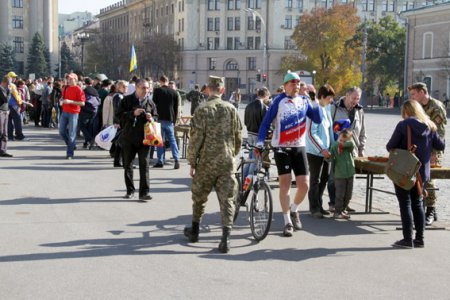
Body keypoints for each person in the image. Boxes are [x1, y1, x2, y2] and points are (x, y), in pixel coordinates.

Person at [256, 72, 323, 237]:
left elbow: (318, 119)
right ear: (285, 85)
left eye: (298, 83)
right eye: (292, 83)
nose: (296, 86)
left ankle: (294, 209)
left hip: (299, 147)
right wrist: (259, 142)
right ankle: (287, 221)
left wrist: (314, 100)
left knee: (304, 186)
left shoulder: (304, 101)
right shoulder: (278, 101)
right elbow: (265, 123)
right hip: (281, 148)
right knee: (285, 184)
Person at [184, 76, 243, 253]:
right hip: (226, 161)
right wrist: (232, 154)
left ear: (208, 89)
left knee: (199, 198)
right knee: (227, 200)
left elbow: (195, 139)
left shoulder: (202, 110)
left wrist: (192, 162)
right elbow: (238, 135)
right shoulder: (231, 109)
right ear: (223, 91)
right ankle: (226, 238)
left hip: (206, 162)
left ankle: (194, 231)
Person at [386, 100, 445, 248]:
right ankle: (419, 239)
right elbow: (441, 145)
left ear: (406, 112)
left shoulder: (403, 125)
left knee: (405, 203)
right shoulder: (430, 126)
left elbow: (390, 145)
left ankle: (407, 239)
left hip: (404, 171)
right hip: (421, 172)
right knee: (418, 203)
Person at [408, 82, 447, 225]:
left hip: (432, 150)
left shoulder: (436, 106)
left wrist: (434, 153)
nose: (411, 97)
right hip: (418, 148)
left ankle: (430, 210)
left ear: (422, 92)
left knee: (429, 179)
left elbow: (440, 131)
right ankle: (423, 209)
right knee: (418, 178)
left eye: (413, 94)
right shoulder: (417, 107)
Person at [116, 79, 155, 201]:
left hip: (145, 139)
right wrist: (133, 113)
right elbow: (119, 116)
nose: (146, 90)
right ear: (137, 88)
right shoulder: (127, 100)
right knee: (128, 164)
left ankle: (144, 192)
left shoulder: (150, 103)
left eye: (147, 88)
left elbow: (156, 117)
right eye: (143, 88)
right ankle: (130, 190)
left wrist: (151, 118)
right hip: (129, 138)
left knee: (145, 165)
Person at [328, 86, 366, 213]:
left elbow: (362, 131)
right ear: (347, 95)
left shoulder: (360, 110)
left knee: (349, 177)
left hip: (352, 149)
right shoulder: (335, 107)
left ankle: (345, 204)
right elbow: (328, 127)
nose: (355, 101)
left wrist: (361, 148)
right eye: (354, 98)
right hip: (337, 149)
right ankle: (333, 203)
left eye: (358, 98)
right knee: (335, 177)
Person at [306, 84, 336, 218]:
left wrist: (332, 147)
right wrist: (321, 148)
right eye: (330, 98)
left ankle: (319, 204)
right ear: (322, 97)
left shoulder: (326, 109)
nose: (331, 101)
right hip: (315, 152)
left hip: (326, 152)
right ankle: (314, 207)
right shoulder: (315, 109)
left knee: (324, 179)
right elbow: (311, 133)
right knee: (315, 180)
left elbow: (329, 131)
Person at [152, 75, 180, 169]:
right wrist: (174, 120)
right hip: (170, 119)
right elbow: (176, 108)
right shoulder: (174, 92)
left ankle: (160, 161)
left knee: (160, 141)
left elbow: (153, 105)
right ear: (167, 81)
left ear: (160, 82)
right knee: (172, 140)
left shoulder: (157, 91)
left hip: (159, 118)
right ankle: (176, 159)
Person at [243, 87, 270, 180]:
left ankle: (243, 180)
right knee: (256, 160)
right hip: (259, 136)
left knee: (250, 159)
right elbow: (266, 124)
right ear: (266, 95)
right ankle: (249, 180)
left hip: (250, 133)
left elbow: (245, 122)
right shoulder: (264, 107)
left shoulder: (248, 105)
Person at [329, 129, 355, 219]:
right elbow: (330, 158)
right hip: (339, 174)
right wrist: (329, 156)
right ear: (338, 138)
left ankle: (343, 210)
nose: (342, 142)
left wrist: (342, 145)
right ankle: (337, 212)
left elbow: (352, 144)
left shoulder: (349, 145)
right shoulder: (335, 146)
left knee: (348, 194)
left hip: (350, 173)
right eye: (341, 140)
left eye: (345, 141)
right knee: (340, 195)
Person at [59, 73, 86, 159]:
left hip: (74, 113)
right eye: (68, 79)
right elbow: (63, 98)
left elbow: (82, 103)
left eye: (71, 79)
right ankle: (72, 144)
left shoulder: (79, 89)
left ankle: (70, 153)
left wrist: (70, 101)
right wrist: (61, 100)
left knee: (72, 134)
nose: (69, 80)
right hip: (64, 112)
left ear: (75, 80)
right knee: (61, 131)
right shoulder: (66, 88)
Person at [80, 78, 100, 149]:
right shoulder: (95, 90)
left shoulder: (85, 91)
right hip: (94, 111)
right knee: (89, 127)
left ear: (85, 83)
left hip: (86, 111)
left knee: (82, 126)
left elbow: (82, 100)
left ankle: (90, 139)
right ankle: (86, 143)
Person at [6, 72, 25, 141]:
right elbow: (16, 96)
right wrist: (20, 103)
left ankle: (10, 136)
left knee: (9, 122)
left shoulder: (3, 84)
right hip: (14, 105)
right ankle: (19, 136)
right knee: (17, 121)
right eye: (13, 77)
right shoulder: (12, 85)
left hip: (6, 106)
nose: (15, 78)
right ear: (10, 77)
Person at [0, 76, 13, 157]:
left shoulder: (5, 89)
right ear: (5, 82)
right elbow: (6, 99)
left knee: (5, 132)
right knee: (1, 132)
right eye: (9, 83)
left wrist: (8, 110)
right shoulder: (1, 89)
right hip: (1, 112)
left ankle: (3, 150)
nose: (10, 85)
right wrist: (10, 92)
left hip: (5, 111)